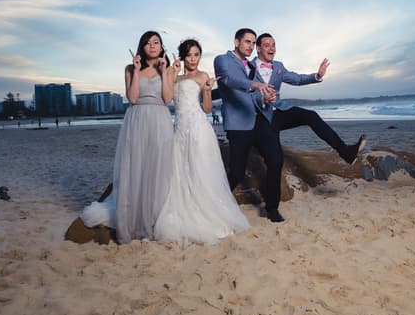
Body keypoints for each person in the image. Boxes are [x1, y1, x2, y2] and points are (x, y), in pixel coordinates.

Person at [81, 31, 177, 244]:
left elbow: (168, 98)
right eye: (148, 43)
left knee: (157, 167)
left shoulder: (167, 69)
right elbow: (133, 98)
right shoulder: (129, 69)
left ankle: (152, 220)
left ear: (162, 47)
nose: (152, 46)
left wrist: (163, 72)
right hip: (137, 118)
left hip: (160, 118)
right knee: (135, 167)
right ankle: (131, 223)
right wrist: (135, 70)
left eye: (156, 43)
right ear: (142, 47)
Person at [154, 38, 250, 246]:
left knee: (200, 169)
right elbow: (167, 98)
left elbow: (207, 109)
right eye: (189, 55)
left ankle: (206, 211)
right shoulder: (176, 77)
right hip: (180, 129)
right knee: (181, 170)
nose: (193, 59)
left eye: (196, 55)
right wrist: (169, 72)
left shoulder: (203, 76)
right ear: (183, 56)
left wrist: (207, 89)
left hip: (198, 128)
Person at [254, 33, 365, 164]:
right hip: (259, 116)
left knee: (311, 116)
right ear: (258, 48)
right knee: (275, 160)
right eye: (267, 45)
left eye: (273, 45)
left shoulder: (278, 66)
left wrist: (317, 75)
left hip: (278, 111)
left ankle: (346, 152)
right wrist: (262, 99)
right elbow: (243, 93)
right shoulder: (246, 68)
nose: (272, 48)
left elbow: (298, 79)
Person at [214, 28, 286, 223]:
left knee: (275, 160)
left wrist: (266, 98)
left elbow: (257, 94)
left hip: (259, 120)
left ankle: (272, 208)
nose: (251, 46)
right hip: (238, 123)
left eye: (253, 43)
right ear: (236, 42)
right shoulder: (222, 60)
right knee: (236, 172)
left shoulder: (253, 66)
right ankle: (213, 206)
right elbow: (229, 80)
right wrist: (254, 85)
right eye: (247, 42)